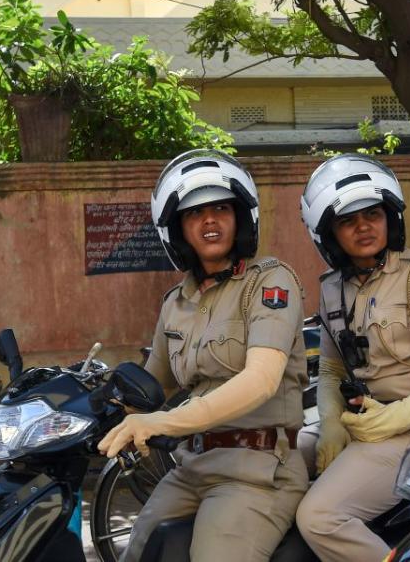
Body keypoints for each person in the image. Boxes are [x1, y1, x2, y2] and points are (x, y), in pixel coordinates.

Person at [98, 149, 309, 562]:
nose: (209, 220)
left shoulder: (269, 282)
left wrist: (163, 421)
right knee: (139, 553)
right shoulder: (177, 303)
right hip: (192, 466)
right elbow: (150, 387)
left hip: (258, 471)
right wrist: (92, 407)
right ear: (178, 230)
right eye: (194, 214)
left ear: (240, 218)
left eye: (220, 209)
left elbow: (261, 380)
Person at [294, 154, 410, 561]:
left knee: (319, 516)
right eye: (348, 220)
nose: (364, 227)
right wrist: (329, 425)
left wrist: (395, 419)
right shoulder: (331, 290)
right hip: (366, 421)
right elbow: (330, 368)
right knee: (278, 461)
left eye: (373, 214)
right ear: (329, 234)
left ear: (390, 218)